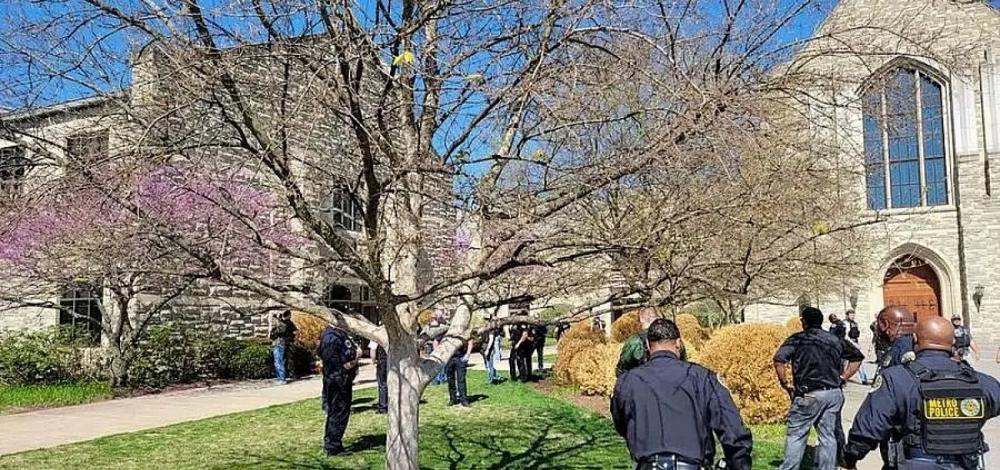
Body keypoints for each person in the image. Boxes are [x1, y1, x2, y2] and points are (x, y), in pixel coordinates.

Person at [842, 315, 1000, 470]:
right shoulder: (982, 382)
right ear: (953, 342)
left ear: (915, 339)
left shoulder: (896, 379)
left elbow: (869, 427)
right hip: (967, 462)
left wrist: (850, 458)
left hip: (916, 460)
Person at [611, 318, 753, 470]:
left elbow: (621, 423)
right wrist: (738, 463)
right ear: (678, 343)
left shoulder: (628, 381)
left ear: (647, 345)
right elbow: (732, 429)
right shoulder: (702, 378)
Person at [773, 306, 863, 470]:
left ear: (803, 322)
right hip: (833, 393)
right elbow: (857, 357)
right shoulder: (834, 339)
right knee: (828, 436)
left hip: (809, 393)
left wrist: (785, 384)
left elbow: (779, 360)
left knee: (797, 435)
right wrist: (843, 377)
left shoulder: (798, 339)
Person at [871, 305, 917, 470]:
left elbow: (885, 397)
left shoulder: (899, 350)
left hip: (900, 432)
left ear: (885, 325)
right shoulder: (917, 344)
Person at [319, 325, 359, 456]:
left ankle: (333, 443)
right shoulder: (334, 337)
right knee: (339, 412)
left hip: (334, 378)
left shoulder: (330, 334)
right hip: (339, 380)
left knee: (336, 411)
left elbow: (319, 352)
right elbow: (344, 363)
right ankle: (333, 446)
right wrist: (356, 358)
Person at [616, 307, 659, 376]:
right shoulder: (671, 335)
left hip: (642, 382)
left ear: (641, 319)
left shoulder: (635, 341)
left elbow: (622, 368)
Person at [268, 310, 297, 385]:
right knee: (278, 361)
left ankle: (282, 378)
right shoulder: (280, 324)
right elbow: (272, 335)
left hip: (279, 343)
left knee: (279, 361)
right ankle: (280, 378)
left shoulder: (283, 324)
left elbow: (277, 333)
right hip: (277, 343)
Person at [446, 336, 474, 407]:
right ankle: (453, 399)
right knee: (450, 380)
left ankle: (464, 400)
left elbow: (470, 341)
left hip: (461, 357)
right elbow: (437, 341)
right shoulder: (448, 330)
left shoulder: (463, 330)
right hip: (449, 358)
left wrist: (467, 355)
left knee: (461, 380)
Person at [845, 310, 869, 384]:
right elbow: (846, 336)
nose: (852, 316)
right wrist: (853, 344)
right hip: (848, 344)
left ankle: (864, 379)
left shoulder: (855, 323)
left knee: (858, 360)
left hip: (854, 342)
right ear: (847, 315)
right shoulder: (846, 323)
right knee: (844, 362)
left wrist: (857, 343)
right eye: (851, 315)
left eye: (853, 315)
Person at [369, 339, 388, 414]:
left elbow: (373, 350)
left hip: (382, 361)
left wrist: (373, 361)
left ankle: (383, 407)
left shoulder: (376, 334)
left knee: (382, 384)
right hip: (393, 361)